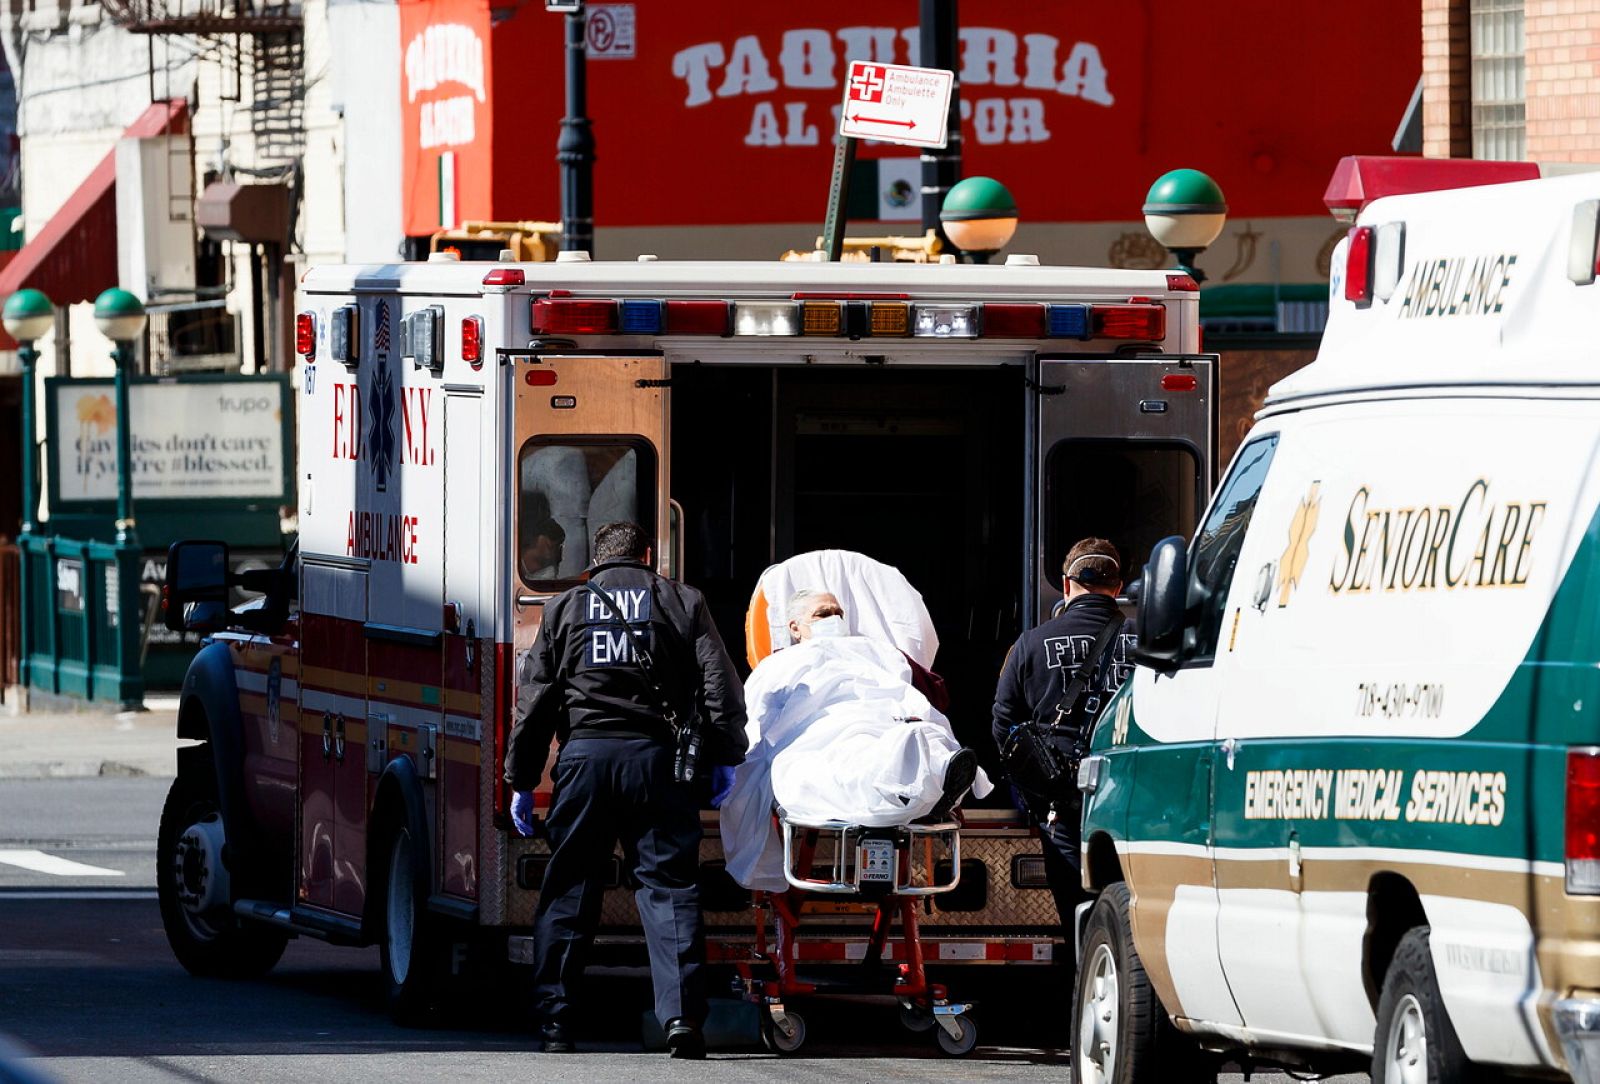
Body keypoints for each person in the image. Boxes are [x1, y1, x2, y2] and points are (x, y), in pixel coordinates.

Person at [503, 521, 748, 1059]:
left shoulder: (564, 609)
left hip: (585, 761)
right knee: (669, 888)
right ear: (647, 555)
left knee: (569, 888)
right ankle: (682, 1019)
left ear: (596, 560)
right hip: (657, 764)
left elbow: (535, 702)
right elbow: (719, 688)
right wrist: (727, 756)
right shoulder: (682, 601)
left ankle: (556, 1024)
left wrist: (521, 780)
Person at [719, 589, 986, 892]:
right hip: (820, 733)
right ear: (794, 627)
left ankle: (926, 767)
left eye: (838, 613)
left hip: (884, 721)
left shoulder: (875, 650)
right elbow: (755, 716)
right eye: (823, 614)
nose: (834, 619)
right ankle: (920, 774)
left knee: (916, 733)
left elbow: (924, 689)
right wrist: (742, 764)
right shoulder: (782, 663)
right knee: (853, 761)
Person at [990, 537, 1136, 932]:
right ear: (1118, 588)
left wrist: (1035, 795)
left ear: (1066, 584)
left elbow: (1004, 726)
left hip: (1061, 804)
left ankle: (1088, 983)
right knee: (1132, 919)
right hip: (1132, 800)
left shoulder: (1030, 644)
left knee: (1079, 917)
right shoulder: (1148, 645)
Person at [520, 516, 566, 580]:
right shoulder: (514, 560)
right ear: (534, 540)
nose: (550, 553)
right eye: (548, 546)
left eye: (556, 548)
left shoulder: (549, 570)